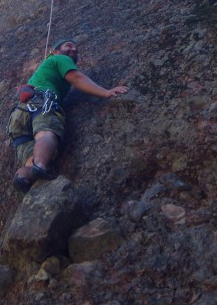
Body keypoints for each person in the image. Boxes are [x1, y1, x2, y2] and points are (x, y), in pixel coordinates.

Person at [8, 39, 129, 193]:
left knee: (29, 160)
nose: (74, 50)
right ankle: (40, 166)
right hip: (41, 103)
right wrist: (105, 92)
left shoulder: (42, 72)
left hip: (19, 115)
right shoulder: (59, 59)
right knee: (46, 132)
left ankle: (23, 178)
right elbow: (77, 79)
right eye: (69, 46)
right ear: (55, 51)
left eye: (76, 49)